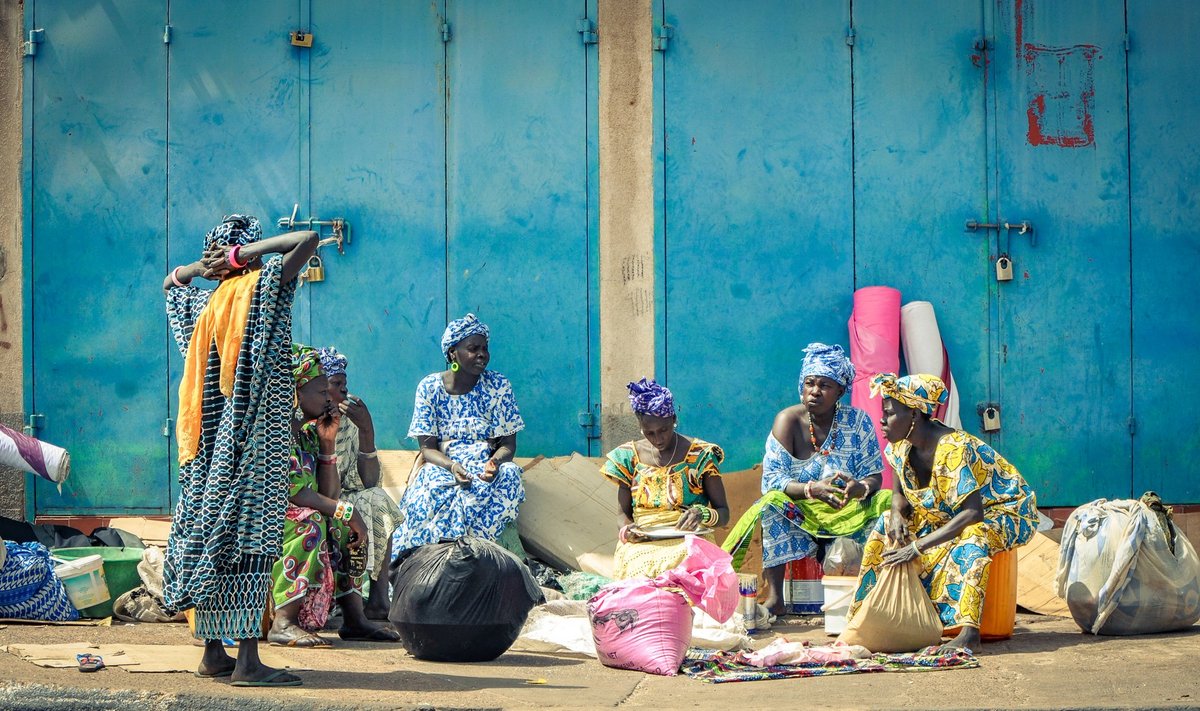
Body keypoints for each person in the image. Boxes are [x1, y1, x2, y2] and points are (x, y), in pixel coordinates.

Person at [163, 214, 316, 687]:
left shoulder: (202, 307)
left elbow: (170, 282)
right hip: (255, 451)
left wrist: (202, 268)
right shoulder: (261, 289)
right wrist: (245, 256)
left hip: (203, 457)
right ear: (245, 254)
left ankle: (213, 653)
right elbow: (308, 240)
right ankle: (248, 662)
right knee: (250, 548)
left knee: (214, 542)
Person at [848, 373, 1039, 652]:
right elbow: (899, 493)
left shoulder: (952, 448)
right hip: (945, 513)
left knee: (974, 536)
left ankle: (969, 631)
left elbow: (973, 513)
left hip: (1003, 511)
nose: (882, 421)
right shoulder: (900, 446)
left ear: (913, 414)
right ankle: (868, 616)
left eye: (889, 414)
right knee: (886, 524)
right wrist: (897, 513)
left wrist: (917, 546)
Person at [267, 345, 401, 646]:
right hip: (269, 514)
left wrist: (327, 445)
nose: (329, 397)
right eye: (322, 391)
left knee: (339, 525)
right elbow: (296, 492)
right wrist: (346, 511)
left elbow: (328, 493)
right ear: (295, 395)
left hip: (297, 508)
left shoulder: (308, 432)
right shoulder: (275, 432)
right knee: (312, 522)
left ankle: (354, 619)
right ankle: (283, 621)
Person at [759, 343, 888, 616]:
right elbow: (772, 479)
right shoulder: (788, 421)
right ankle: (776, 598)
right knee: (771, 503)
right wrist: (811, 489)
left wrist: (860, 489)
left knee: (887, 502)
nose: (814, 391)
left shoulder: (858, 422)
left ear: (840, 391)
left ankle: (871, 596)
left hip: (846, 508)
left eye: (825, 385)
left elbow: (874, 475)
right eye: (809, 383)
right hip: (802, 511)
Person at [391, 314, 525, 558]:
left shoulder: (498, 385)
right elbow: (427, 448)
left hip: (485, 464)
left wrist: (494, 463)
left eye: (485, 348)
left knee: (511, 475)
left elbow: (508, 444)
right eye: (473, 349)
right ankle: (424, 554)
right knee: (430, 484)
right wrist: (453, 467)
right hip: (443, 463)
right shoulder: (430, 387)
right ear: (453, 352)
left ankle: (474, 548)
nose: (482, 354)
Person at [601, 378, 729, 579]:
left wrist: (702, 514)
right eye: (649, 433)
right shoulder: (628, 458)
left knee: (687, 564)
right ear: (640, 426)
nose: (658, 439)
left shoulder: (701, 456)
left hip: (690, 539)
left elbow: (724, 513)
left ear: (674, 419)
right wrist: (628, 529)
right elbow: (621, 514)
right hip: (644, 543)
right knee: (639, 570)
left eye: (664, 430)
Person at [318, 346, 404, 620]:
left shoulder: (349, 421)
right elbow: (319, 490)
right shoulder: (302, 420)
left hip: (344, 498)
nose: (344, 391)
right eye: (335, 385)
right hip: (313, 499)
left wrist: (367, 431)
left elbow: (367, 483)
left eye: (345, 384)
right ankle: (337, 604)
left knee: (377, 500)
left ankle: (378, 600)